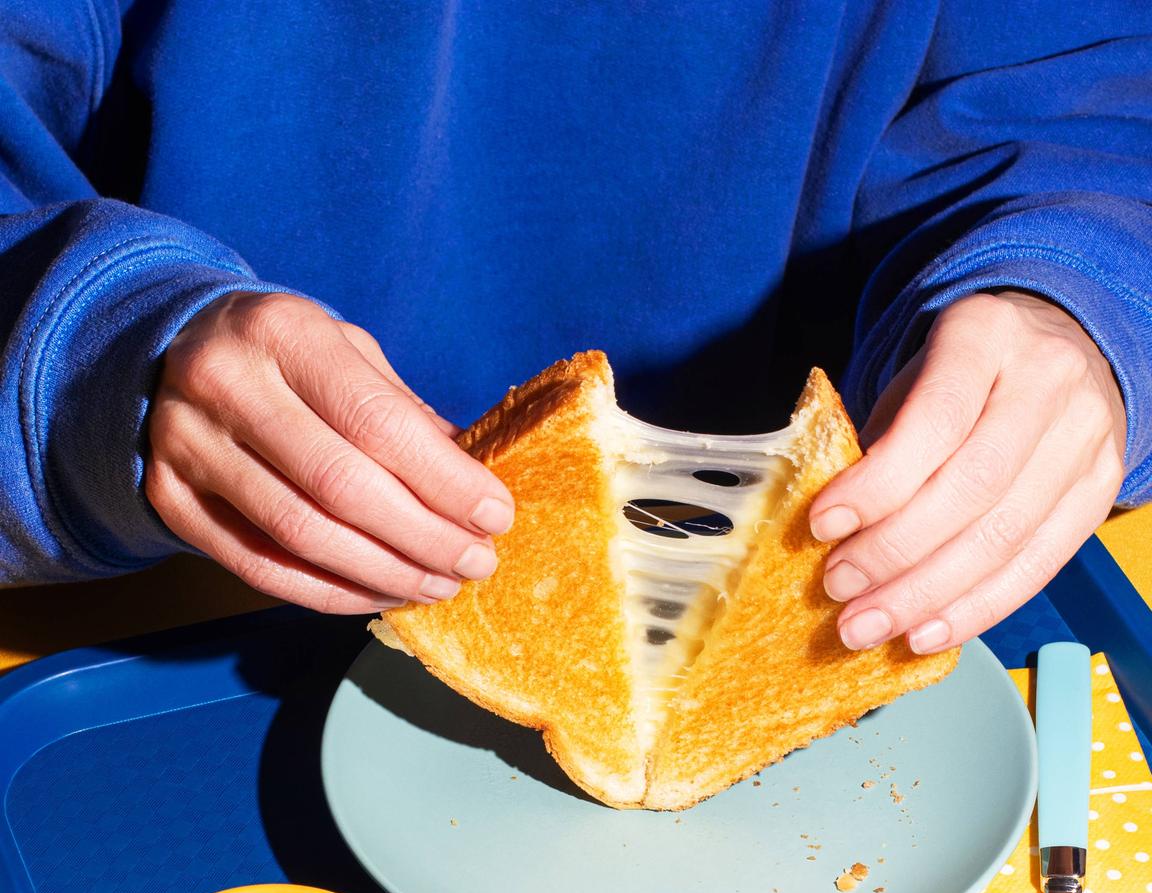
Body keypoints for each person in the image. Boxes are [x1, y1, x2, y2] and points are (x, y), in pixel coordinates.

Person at [0, 3, 1147, 660]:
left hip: (861, 652)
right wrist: (106, 367)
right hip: (167, 657)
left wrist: (1080, 308)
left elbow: (1087, 104)